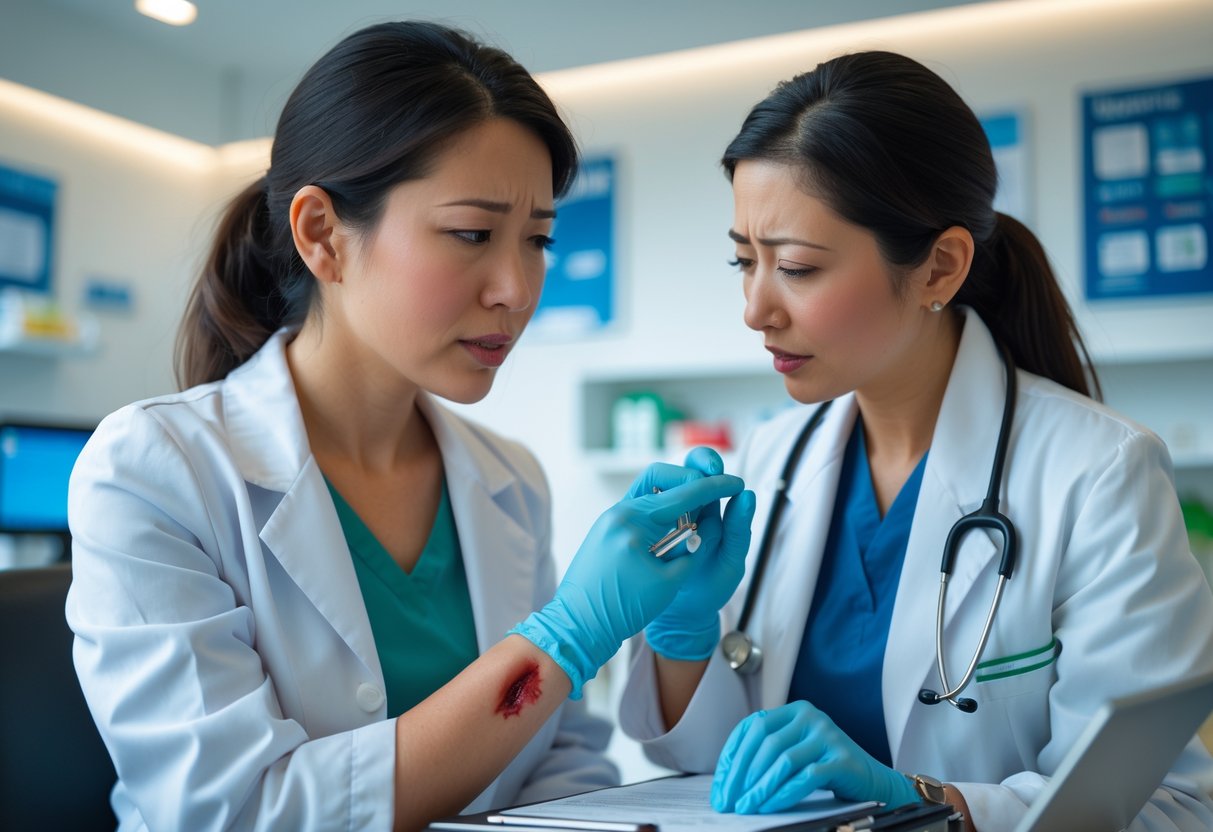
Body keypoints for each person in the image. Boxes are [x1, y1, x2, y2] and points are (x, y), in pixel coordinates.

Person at [65, 21, 754, 832]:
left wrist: (670, 639)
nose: (515, 287)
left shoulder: (508, 479)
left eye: (537, 239)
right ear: (322, 234)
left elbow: (558, 763)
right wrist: (564, 639)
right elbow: (237, 810)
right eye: (471, 233)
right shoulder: (154, 469)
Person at [618, 50, 1213, 831]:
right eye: (743, 259)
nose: (755, 308)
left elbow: (1166, 806)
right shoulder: (775, 455)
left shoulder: (1098, 474)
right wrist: (681, 638)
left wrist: (929, 806)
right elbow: (709, 768)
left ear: (939, 267)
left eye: (795, 267)